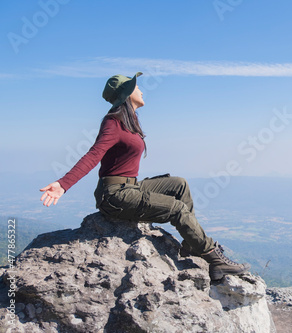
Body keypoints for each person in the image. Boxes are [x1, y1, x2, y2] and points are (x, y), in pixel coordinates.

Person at [40, 72, 250, 280]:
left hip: (130, 187)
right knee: (176, 208)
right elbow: (94, 154)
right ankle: (214, 258)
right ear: (127, 92)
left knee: (179, 184)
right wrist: (63, 184)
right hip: (114, 195)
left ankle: (192, 245)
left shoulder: (130, 120)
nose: (140, 89)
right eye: (136, 86)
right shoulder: (113, 122)